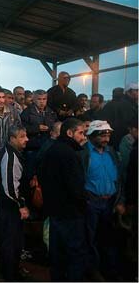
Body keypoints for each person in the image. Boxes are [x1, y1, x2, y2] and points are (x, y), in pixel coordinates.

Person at [39, 118, 88, 281]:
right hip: (70, 214)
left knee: (58, 255)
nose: (83, 137)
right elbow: (75, 187)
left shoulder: (53, 149)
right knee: (74, 254)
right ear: (69, 133)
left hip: (55, 212)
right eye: (81, 133)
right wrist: (83, 204)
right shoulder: (68, 154)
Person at [81, 120, 125, 280]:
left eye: (108, 135)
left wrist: (120, 200)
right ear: (92, 136)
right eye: (102, 135)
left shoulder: (111, 152)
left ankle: (110, 270)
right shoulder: (84, 154)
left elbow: (119, 179)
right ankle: (93, 271)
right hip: (92, 202)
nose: (106, 138)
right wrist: (85, 200)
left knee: (108, 238)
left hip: (110, 203)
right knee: (90, 239)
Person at [0, 126, 30, 281]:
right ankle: (10, 273)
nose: (26, 139)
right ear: (12, 139)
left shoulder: (12, 153)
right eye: (22, 137)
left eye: (26, 136)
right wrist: (21, 205)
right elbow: (10, 186)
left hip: (9, 205)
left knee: (11, 240)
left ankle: (8, 269)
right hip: (10, 207)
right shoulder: (11, 157)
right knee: (11, 241)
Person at [20, 89, 58, 182]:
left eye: (44, 99)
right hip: (32, 148)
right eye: (39, 99)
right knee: (30, 175)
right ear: (34, 99)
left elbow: (56, 125)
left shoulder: (51, 112)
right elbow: (21, 128)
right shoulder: (26, 112)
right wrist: (36, 128)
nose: (42, 102)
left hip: (48, 147)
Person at [100, 82, 138, 149]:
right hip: (124, 141)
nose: (138, 93)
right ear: (128, 92)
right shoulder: (128, 106)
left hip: (111, 141)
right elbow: (130, 123)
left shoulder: (108, 105)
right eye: (136, 90)